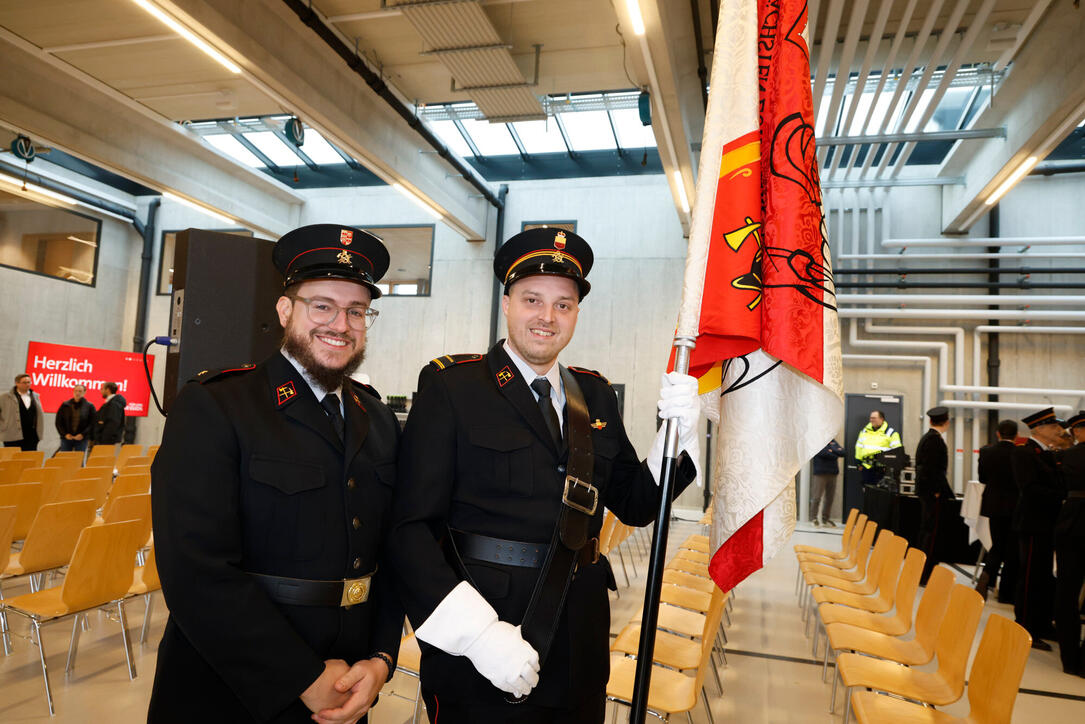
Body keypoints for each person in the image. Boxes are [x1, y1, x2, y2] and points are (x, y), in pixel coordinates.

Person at [388, 228, 701, 723]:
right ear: (508, 302)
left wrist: (678, 441)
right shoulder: (453, 386)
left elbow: (638, 504)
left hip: (580, 633)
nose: (547, 317)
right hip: (485, 637)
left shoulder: (594, 395)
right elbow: (410, 530)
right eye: (533, 299)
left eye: (564, 304)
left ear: (576, 313)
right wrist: (476, 635)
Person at [149, 224, 404, 723]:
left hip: (348, 686)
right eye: (322, 305)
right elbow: (194, 571)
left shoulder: (377, 420)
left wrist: (380, 659)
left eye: (357, 311)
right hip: (233, 687)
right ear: (285, 311)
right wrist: (301, 676)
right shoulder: (218, 405)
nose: (341, 323)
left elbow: (390, 554)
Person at [1013, 407, 1066, 650]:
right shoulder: (1026, 453)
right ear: (1040, 429)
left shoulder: (1046, 453)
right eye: (1054, 426)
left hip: (1047, 523)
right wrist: (1061, 498)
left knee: (1044, 577)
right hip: (1034, 522)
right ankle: (1024, 626)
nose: (1059, 430)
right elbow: (1030, 489)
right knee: (1031, 576)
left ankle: (1042, 622)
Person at [974, 419, 1021, 603]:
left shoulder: (987, 451)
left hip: (993, 504)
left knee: (997, 544)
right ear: (1016, 436)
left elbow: (983, 478)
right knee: (1013, 549)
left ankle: (986, 576)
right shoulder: (1020, 453)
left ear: (998, 434)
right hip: (1016, 505)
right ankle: (1006, 592)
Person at [1054, 410, 1085, 676]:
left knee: (1067, 591)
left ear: (1077, 431)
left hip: (1072, 522)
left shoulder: (1068, 456)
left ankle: (1069, 657)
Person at [915, 406, 954, 585]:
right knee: (931, 532)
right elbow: (933, 469)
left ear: (930, 421)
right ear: (946, 422)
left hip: (926, 491)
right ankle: (925, 573)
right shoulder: (935, 441)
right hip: (932, 493)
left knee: (926, 530)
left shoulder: (927, 438)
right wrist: (937, 490)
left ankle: (922, 570)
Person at [855, 409, 901, 485]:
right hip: (866, 468)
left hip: (882, 470)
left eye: (874, 418)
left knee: (880, 494)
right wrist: (858, 463)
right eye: (871, 418)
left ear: (882, 419)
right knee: (867, 492)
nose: (871, 420)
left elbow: (897, 451)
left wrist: (890, 467)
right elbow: (859, 448)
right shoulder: (864, 432)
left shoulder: (891, 433)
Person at [0, 373, 44, 451]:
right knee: (12, 459)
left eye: (29, 382)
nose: (27, 384)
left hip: (31, 436)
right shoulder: (5, 397)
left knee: (29, 460)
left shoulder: (35, 396)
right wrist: (4, 426)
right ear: (17, 383)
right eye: (24, 382)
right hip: (12, 435)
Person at [811, 439, 844, 526]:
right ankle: (813, 518)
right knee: (817, 497)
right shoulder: (818, 441)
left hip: (833, 473)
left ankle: (825, 518)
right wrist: (835, 452)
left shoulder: (833, 441)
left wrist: (831, 451)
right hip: (820, 473)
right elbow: (823, 453)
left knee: (830, 498)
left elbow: (843, 452)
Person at [55, 384, 96, 452]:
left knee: (79, 460)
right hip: (66, 438)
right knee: (64, 460)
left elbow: (92, 423)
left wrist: (83, 434)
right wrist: (65, 434)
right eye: (76, 391)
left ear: (84, 392)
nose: (77, 393)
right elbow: (58, 422)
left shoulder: (90, 406)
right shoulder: (65, 405)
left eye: (80, 391)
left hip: (81, 439)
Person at [92, 381, 127, 446]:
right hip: (105, 439)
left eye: (102, 389)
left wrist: (103, 438)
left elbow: (113, 422)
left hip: (106, 441)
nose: (100, 391)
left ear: (107, 390)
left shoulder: (114, 404)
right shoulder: (111, 403)